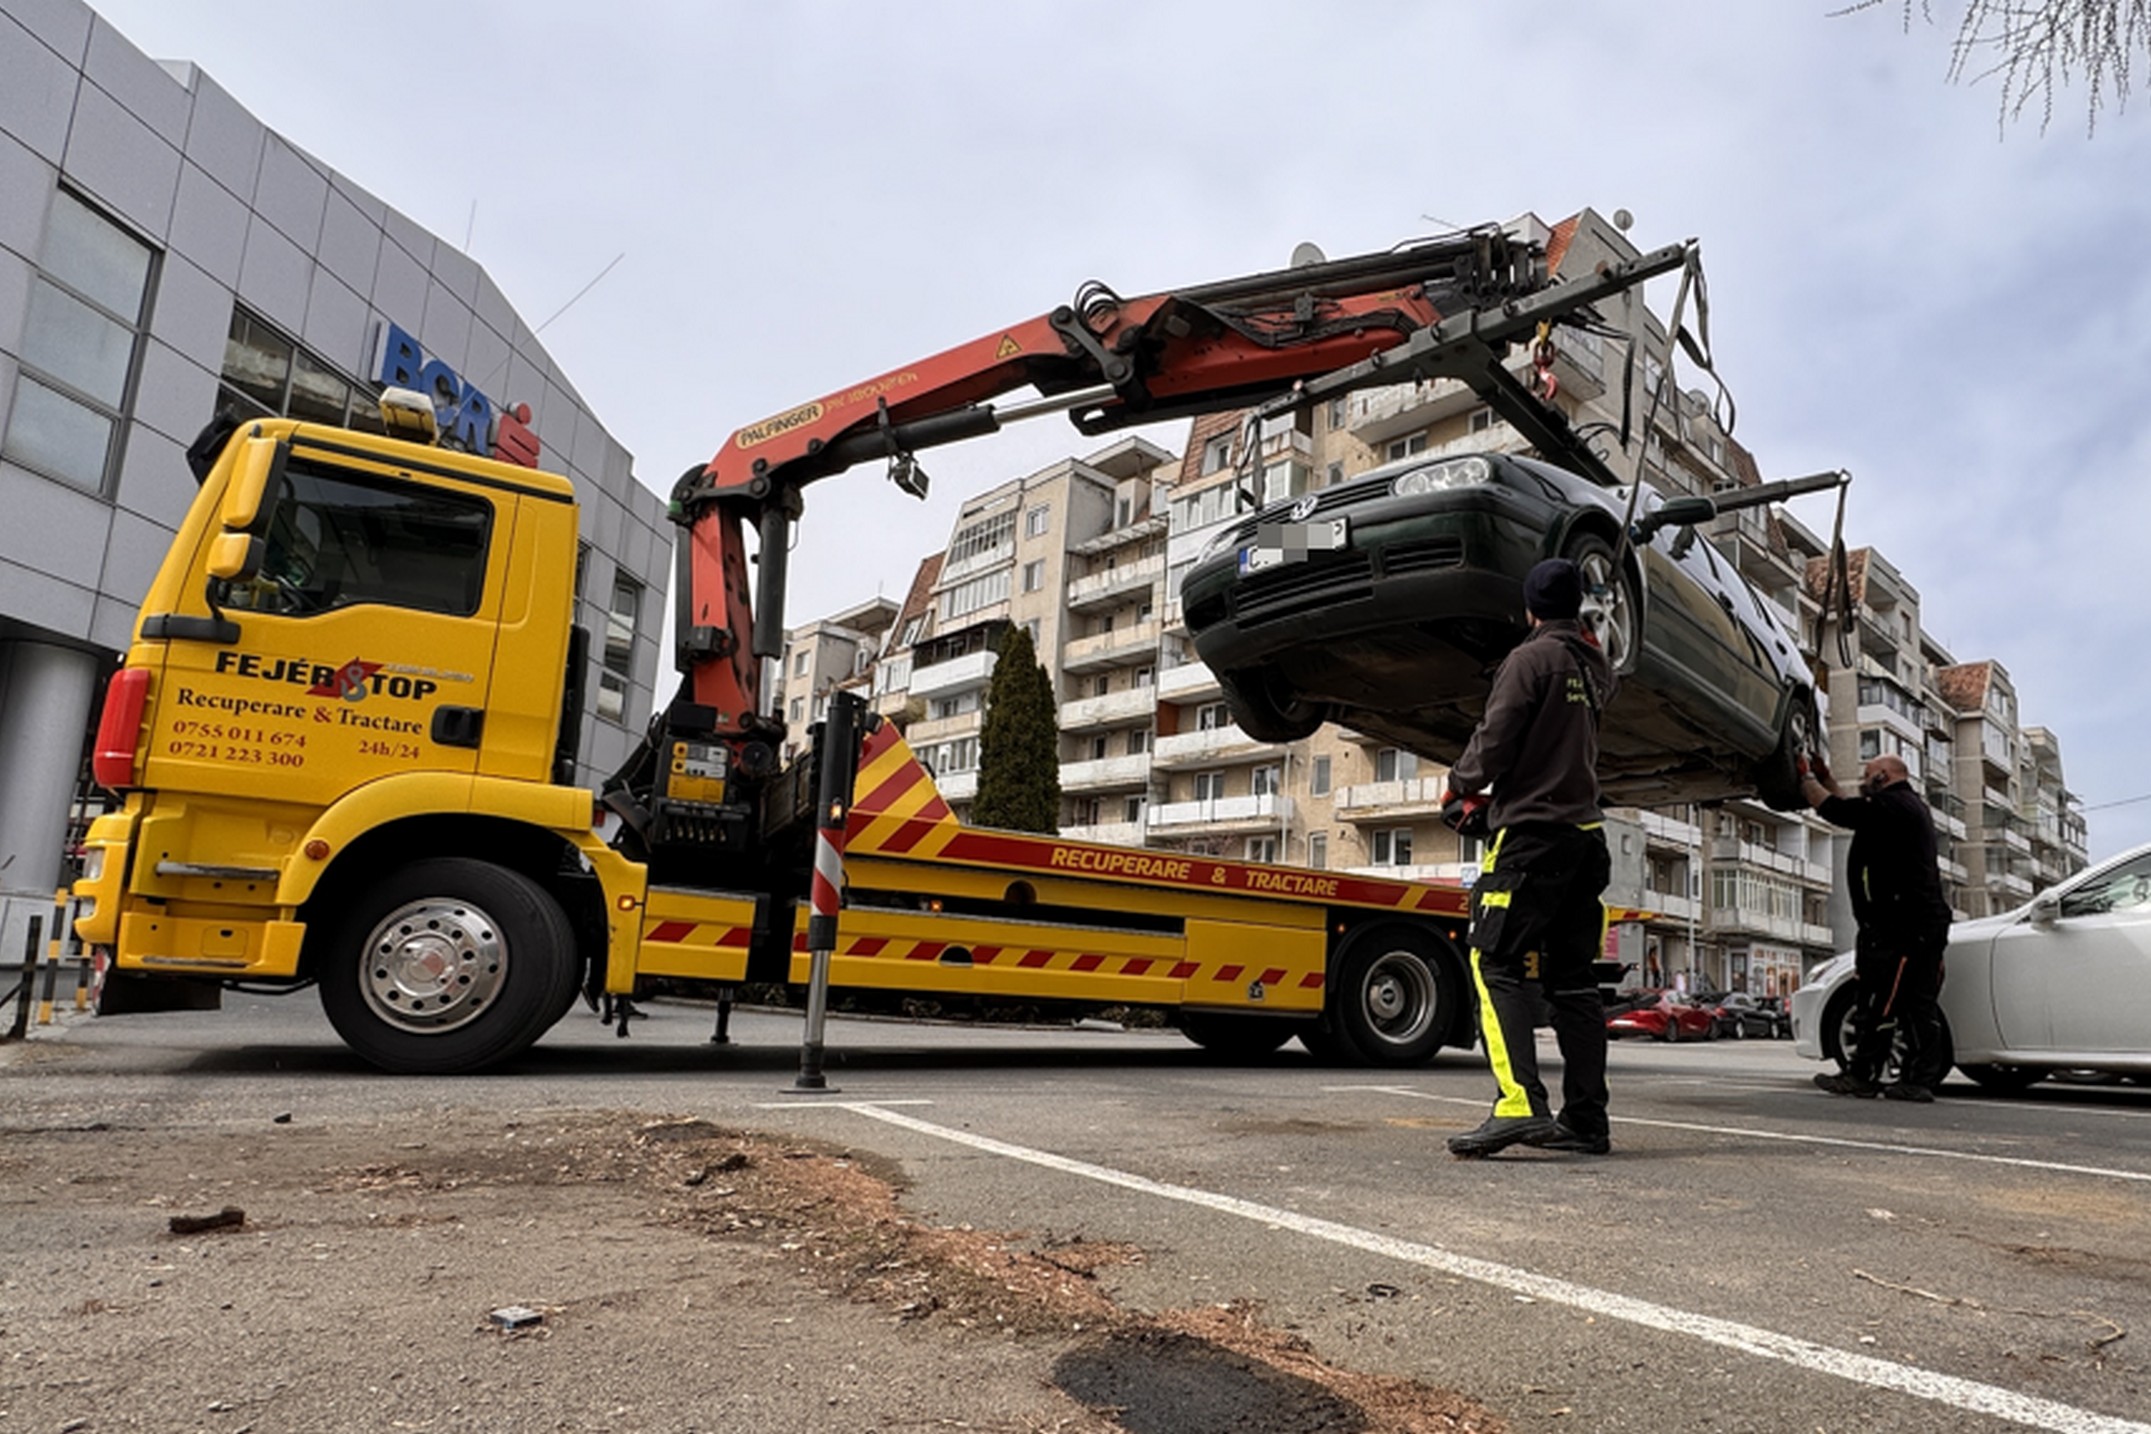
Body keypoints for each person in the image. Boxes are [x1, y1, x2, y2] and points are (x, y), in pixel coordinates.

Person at [1441, 557, 1617, 1158]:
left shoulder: (1529, 659)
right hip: (1585, 836)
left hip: (1532, 838)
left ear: (1530, 609)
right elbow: (1559, 743)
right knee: (1573, 983)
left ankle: (1519, 1104)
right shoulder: (1596, 665)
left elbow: (1497, 737)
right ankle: (1587, 1121)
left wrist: (1461, 784)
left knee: (1494, 964)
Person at [1801, 753, 1953, 1101]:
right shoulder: (1902, 807)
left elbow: (1837, 812)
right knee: (1915, 1004)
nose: (1863, 779)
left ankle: (1864, 1075)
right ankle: (1917, 1080)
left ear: (1883, 777)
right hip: (1917, 926)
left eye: (1867, 774)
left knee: (1878, 1001)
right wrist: (1825, 778)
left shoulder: (1893, 807)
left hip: (1899, 929)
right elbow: (1848, 806)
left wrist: (1805, 777)